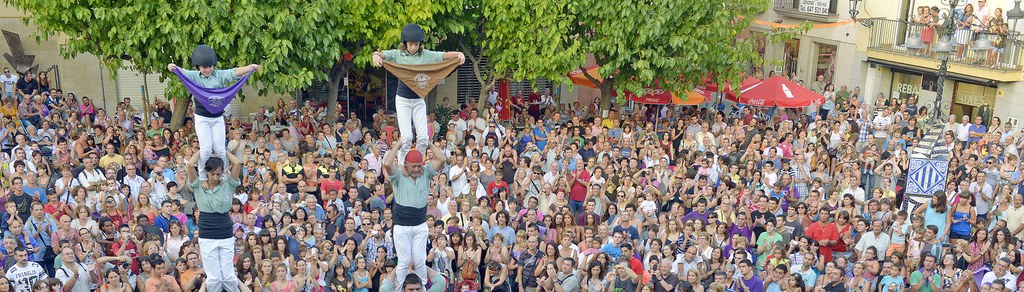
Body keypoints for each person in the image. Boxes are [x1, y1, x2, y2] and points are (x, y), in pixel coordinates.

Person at [371, 23, 465, 161]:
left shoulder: (425, 55)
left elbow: (443, 56)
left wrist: (458, 54)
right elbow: (382, 54)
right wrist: (375, 56)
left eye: (416, 44)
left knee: (423, 137)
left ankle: (418, 161)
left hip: (418, 100)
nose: (413, 47)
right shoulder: (398, 54)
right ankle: (402, 163)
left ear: (420, 44)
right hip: (402, 100)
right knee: (407, 137)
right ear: (405, 44)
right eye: (410, 44)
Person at [167, 44, 259, 180]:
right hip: (202, 117)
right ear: (198, 67)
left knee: (221, 150)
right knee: (206, 150)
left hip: (217, 118)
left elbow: (234, 72)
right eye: (204, 67)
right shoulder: (195, 76)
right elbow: (183, 72)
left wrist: (250, 67)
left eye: (210, 67)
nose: (208, 70)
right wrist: (173, 67)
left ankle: (221, 174)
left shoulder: (219, 75)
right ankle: (203, 176)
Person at [382, 139, 445, 290]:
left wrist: (427, 142)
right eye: (413, 166)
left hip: (419, 224)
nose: (417, 169)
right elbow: (388, 164)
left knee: (419, 261)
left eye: (418, 165)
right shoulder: (398, 176)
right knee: (403, 261)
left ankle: (421, 288)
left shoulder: (426, 173)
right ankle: (400, 289)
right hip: (402, 226)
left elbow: (442, 159)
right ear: (406, 165)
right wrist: (398, 144)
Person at [184, 149, 244, 292]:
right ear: (206, 173)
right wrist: (204, 150)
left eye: (218, 174)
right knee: (214, 278)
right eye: (212, 174)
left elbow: (236, 163)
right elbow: (191, 165)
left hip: (226, 234)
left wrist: (221, 150)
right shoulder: (198, 186)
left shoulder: (228, 185)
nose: (216, 177)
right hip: (207, 235)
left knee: (229, 276)